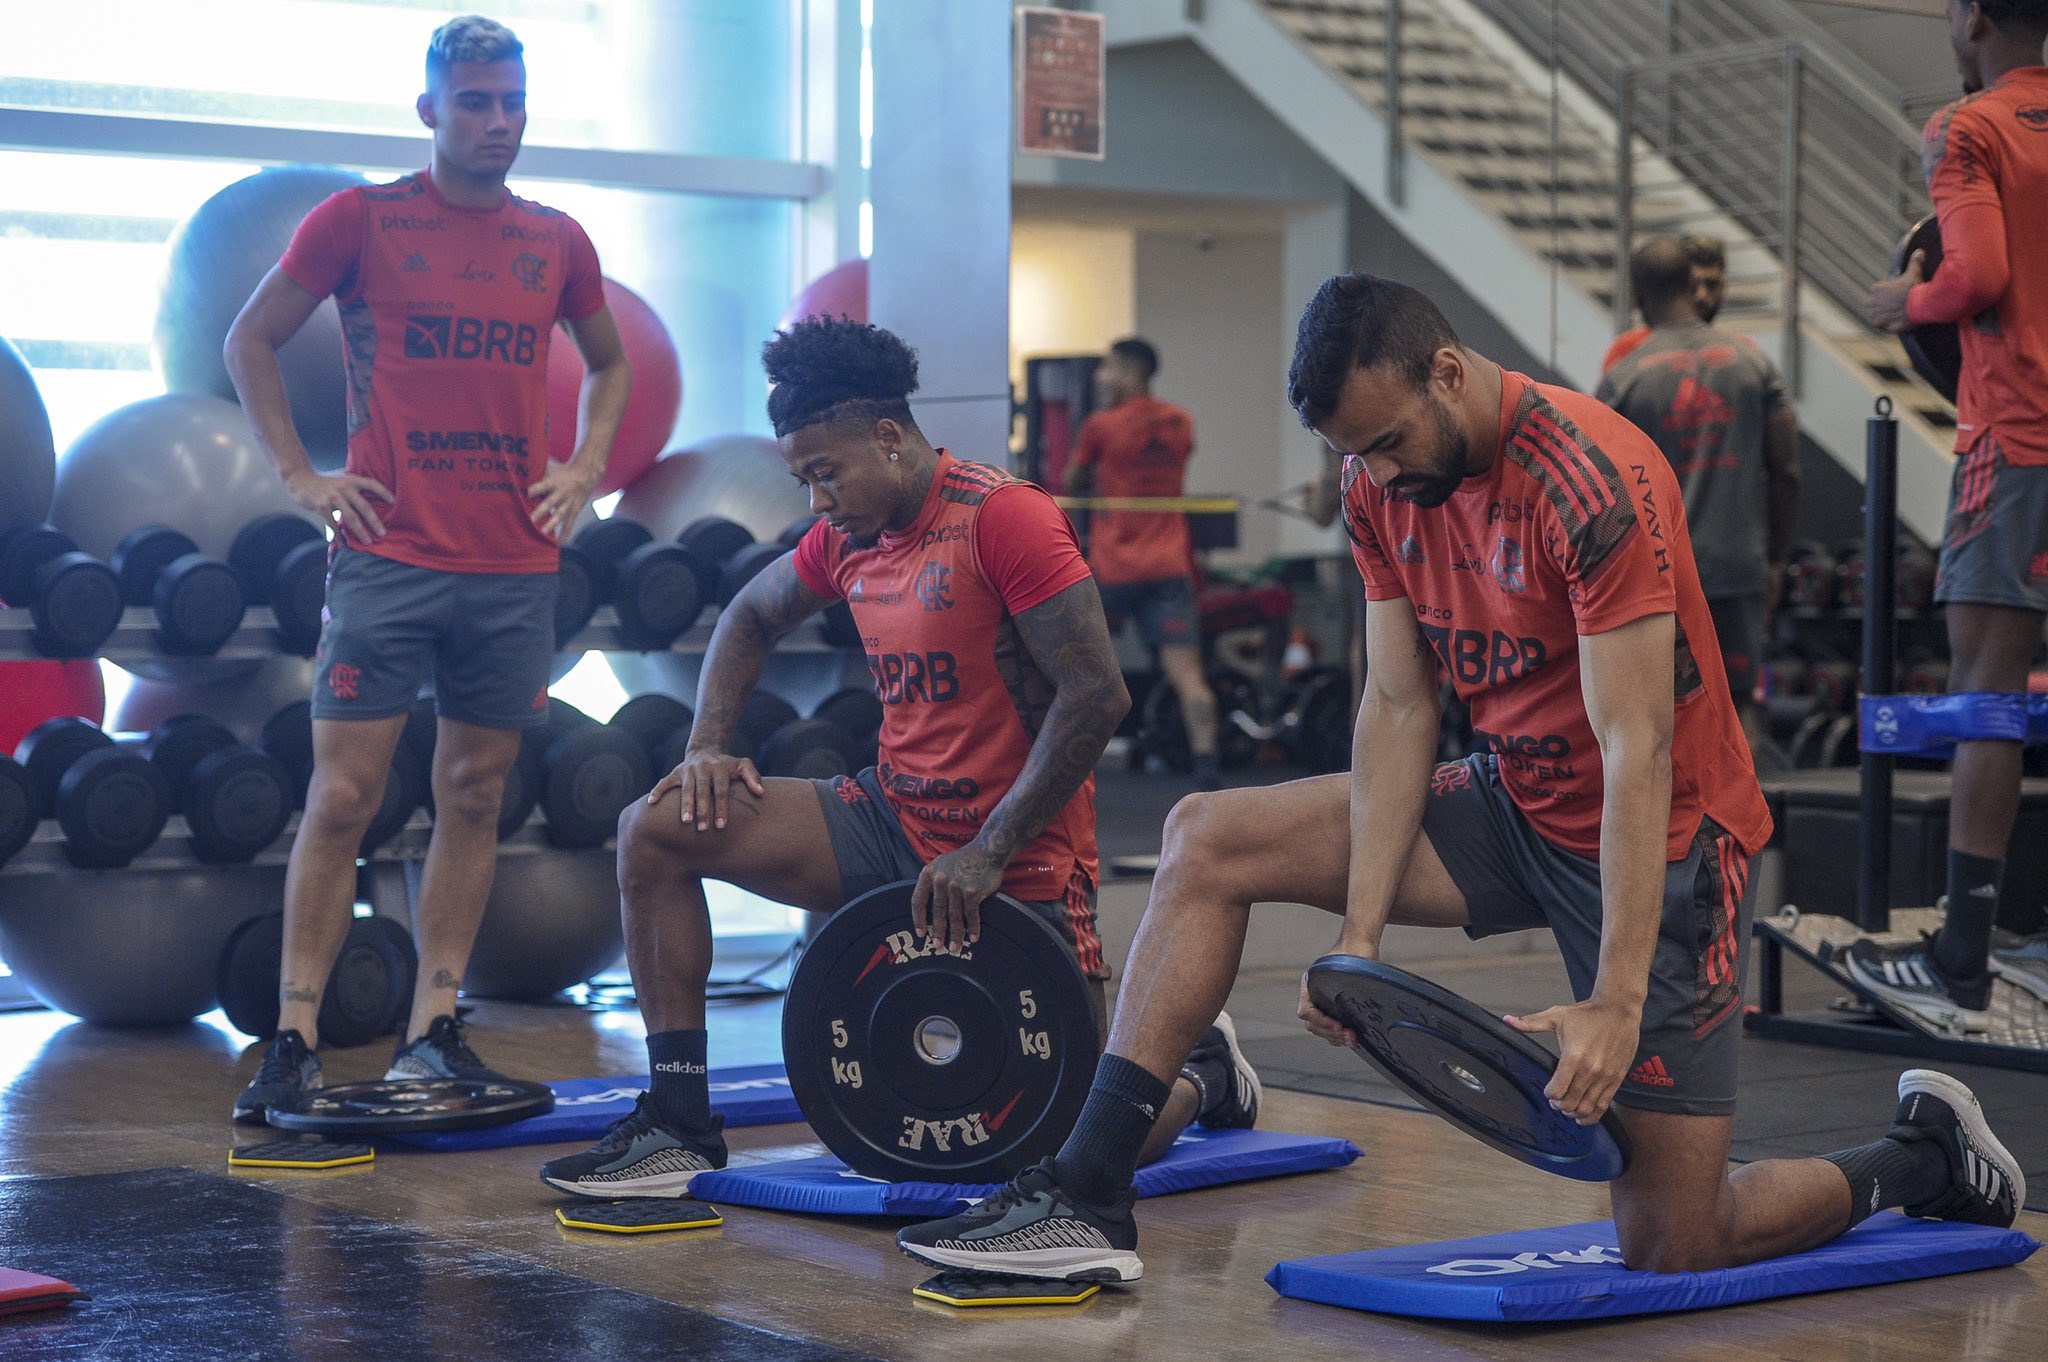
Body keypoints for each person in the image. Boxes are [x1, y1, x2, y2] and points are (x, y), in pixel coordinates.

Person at [897, 275, 2020, 1284]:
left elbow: (1638, 745)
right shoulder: (1374, 484)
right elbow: (1396, 706)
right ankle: (1086, 1193)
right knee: (1206, 836)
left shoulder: (1589, 479)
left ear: (1445, 371)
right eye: (1357, 454)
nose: (1377, 473)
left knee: (1673, 1242)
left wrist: (1613, 1000)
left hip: (1664, 842)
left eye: (1387, 440)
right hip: (1512, 801)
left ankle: (1920, 1155)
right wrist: (1361, 939)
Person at [538, 317, 1259, 1198]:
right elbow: (746, 618)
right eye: (802, 480)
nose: (815, 500)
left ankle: (1205, 1071)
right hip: (889, 821)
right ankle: (681, 1120)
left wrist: (988, 849)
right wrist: (705, 748)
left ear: (887, 438)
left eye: (825, 474)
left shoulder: (1007, 519)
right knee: (652, 829)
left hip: (1017, 857)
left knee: (1060, 1148)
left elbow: (1097, 696)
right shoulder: (846, 538)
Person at [225, 13, 630, 1122]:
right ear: (430, 110)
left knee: (473, 791)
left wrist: (585, 465)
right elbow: (248, 339)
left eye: (512, 104)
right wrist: (300, 475)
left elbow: (610, 362)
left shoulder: (555, 240)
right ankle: (294, 1041)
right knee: (345, 794)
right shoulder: (358, 219)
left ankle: (433, 1031)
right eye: (475, 104)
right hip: (386, 559)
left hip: (512, 564)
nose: (497, 123)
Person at [1855, 0, 2048, 1029]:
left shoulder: (1962, 126)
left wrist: (1902, 303)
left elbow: (1973, 275)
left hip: (2013, 440)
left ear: (1971, 17)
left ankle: (1961, 959)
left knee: (1986, 695)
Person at [1599, 236, 1800, 761]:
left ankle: (1671, 843)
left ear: (1640, 295)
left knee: (1656, 713)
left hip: (1657, 577)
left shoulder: (1622, 381)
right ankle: (1742, 843)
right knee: (1738, 705)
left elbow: (1603, 494)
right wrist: (1776, 559)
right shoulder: (1753, 366)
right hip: (1738, 567)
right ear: (1694, 284)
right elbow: (1788, 471)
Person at [1066, 338, 1222, 789]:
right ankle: (1207, 766)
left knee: (1074, 670)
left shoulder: (1100, 426)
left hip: (1113, 570)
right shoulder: (1181, 421)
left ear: (1131, 373)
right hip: (1169, 566)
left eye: (1108, 369)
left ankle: (1064, 768)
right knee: (1188, 676)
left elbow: (1072, 481)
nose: (1100, 378)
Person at [1602, 233, 1728, 376]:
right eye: (1693, 284)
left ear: (1722, 287)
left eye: (1711, 285)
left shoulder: (1739, 352)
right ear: (1679, 284)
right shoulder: (1628, 349)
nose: (1701, 295)